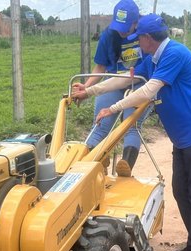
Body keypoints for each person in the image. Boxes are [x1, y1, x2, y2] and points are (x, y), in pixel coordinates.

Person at [72, 13, 191, 251]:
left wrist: (114, 108)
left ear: (147, 38)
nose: (136, 43)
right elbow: (126, 79)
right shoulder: (152, 57)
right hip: (182, 138)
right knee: (181, 190)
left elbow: (147, 90)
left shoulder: (174, 53)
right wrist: (90, 91)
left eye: (138, 38)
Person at [73, 0, 149, 177]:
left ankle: (125, 166)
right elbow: (100, 67)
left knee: (131, 124)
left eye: (126, 27)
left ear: (136, 23)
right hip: (114, 82)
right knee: (100, 124)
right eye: (119, 26)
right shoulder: (108, 36)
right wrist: (86, 86)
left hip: (139, 83)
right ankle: (92, 162)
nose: (121, 30)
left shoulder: (145, 35)